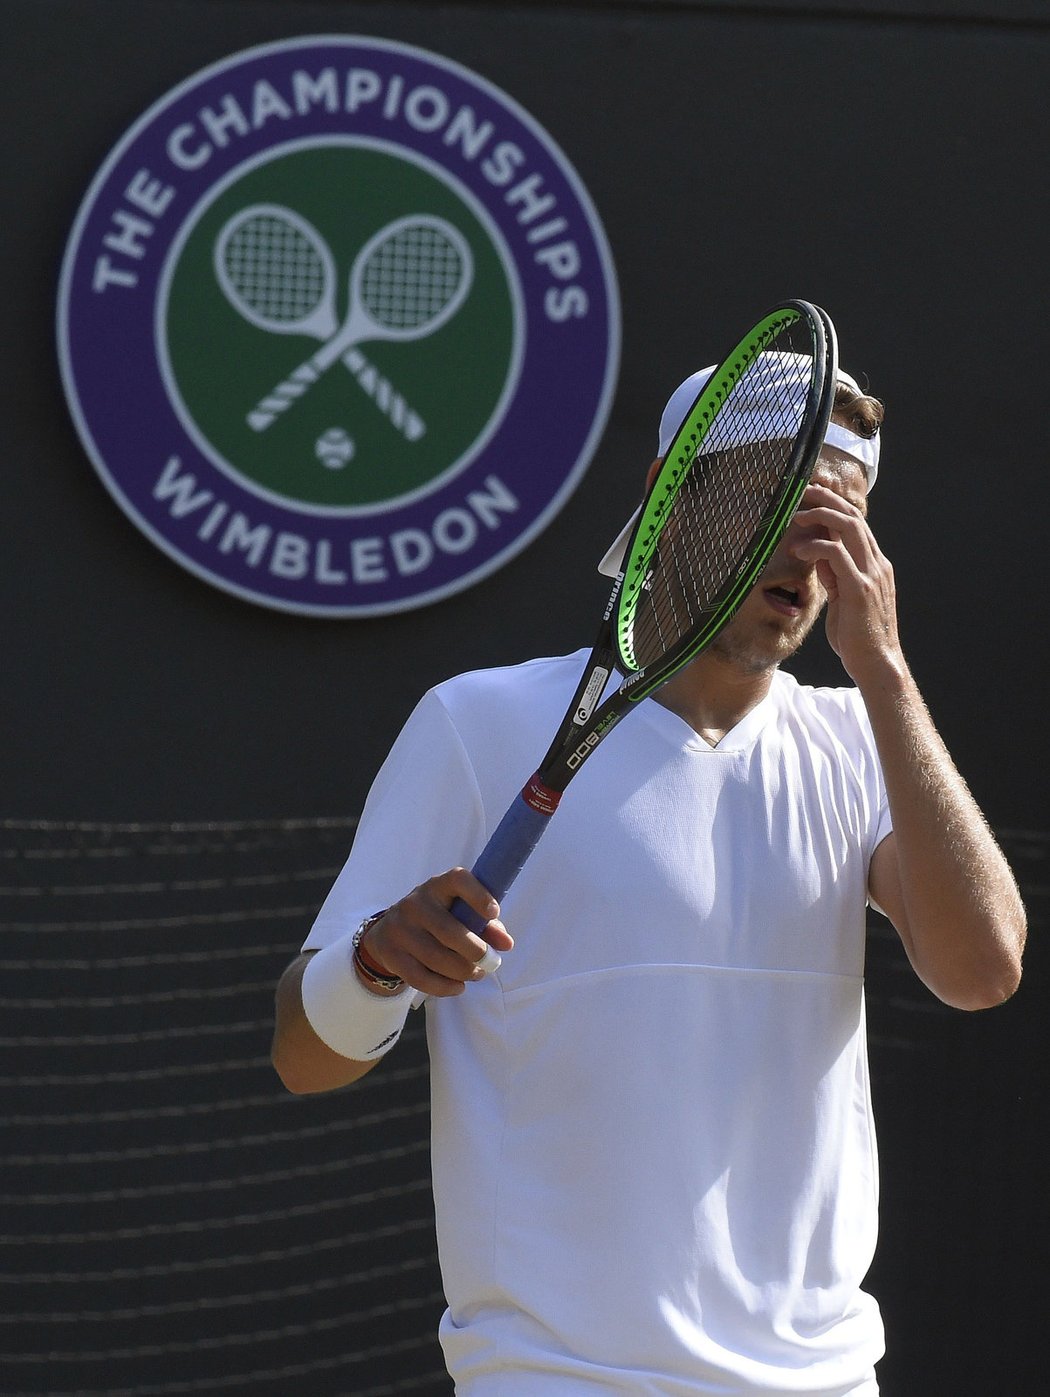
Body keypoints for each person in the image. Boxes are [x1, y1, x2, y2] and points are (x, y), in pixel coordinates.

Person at [271, 357, 1026, 1397]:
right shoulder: (476, 723)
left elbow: (981, 967)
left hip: (824, 1378)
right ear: (670, 494)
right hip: (549, 1378)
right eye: (780, 510)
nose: (809, 561)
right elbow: (305, 1055)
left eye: (841, 533)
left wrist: (885, 669)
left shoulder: (861, 740)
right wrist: (372, 963)